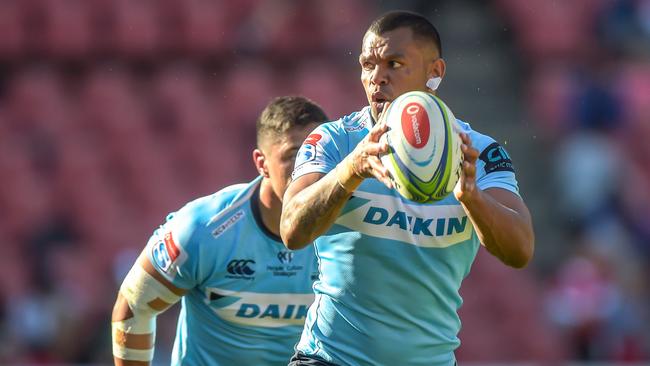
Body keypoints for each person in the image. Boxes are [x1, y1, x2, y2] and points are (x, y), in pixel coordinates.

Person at [280, 11, 535, 366]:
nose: (376, 78)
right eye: (367, 65)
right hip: (330, 359)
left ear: (436, 72)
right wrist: (349, 172)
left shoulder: (477, 152)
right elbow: (291, 230)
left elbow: (520, 249)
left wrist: (472, 198)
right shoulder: (335, 141)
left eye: (394, 64)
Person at [111, 96, 328, 365]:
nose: (307, 168)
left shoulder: (350, 232)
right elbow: (133, 307)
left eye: (316, 154)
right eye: (293, 155)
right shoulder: (204, 228)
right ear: (262, 163)